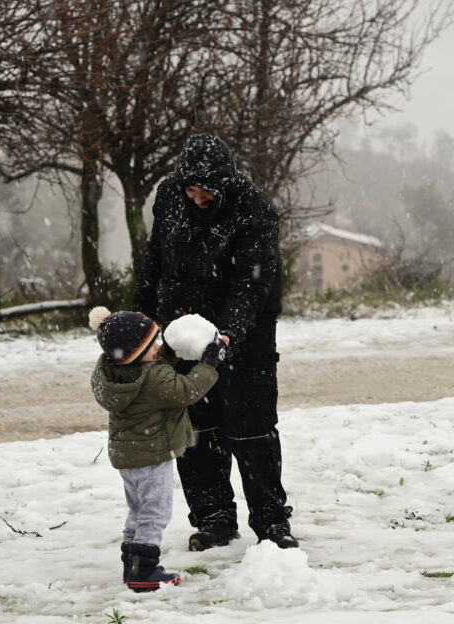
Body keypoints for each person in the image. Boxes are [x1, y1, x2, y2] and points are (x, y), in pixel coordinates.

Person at [133, 133, 298, 550]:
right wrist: (141, 321)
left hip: (247, 332)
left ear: (224, 182)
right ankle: (214, 518)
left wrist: (227, 335)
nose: (196, 198)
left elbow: (252, 285)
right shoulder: (170, 196)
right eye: (189, 189)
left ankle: (271, 522)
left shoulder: (254, 209)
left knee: (251, 426)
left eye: (204, 191)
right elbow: (154, 261)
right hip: (182, 329)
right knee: (195, 427)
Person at [88, 306, 226, 592]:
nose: (159, 347)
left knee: (138, 509)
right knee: (156, 510)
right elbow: (186, 389)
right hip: (152, 454)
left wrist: (166, 352)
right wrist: (210, 364)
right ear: (136, 353)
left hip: (128, 456)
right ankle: (145, 569)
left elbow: (151, 363)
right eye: (153, 344)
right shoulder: (154, 380)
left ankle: (132, 562)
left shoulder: (114, 371)